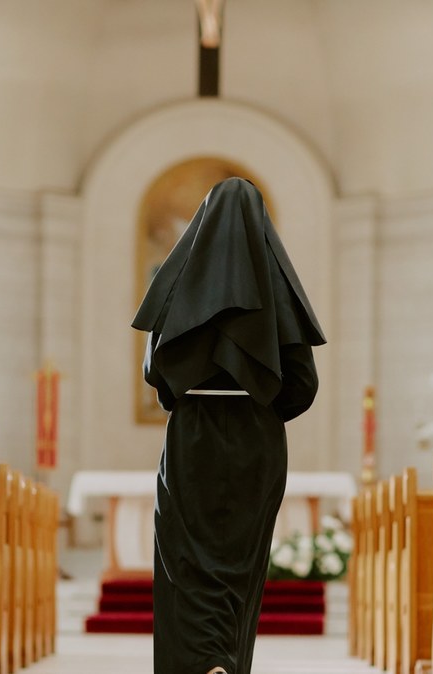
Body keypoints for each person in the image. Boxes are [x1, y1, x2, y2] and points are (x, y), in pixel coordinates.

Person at [132, 177, 325, 674]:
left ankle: (201, 661)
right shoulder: (278, 290)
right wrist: (257, 404)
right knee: (240, 564)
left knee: (186, 561)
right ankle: (227, 661)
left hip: (192, 436)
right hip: (256, 441)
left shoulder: (177, 285)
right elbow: (302, 386)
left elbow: (157, 376)